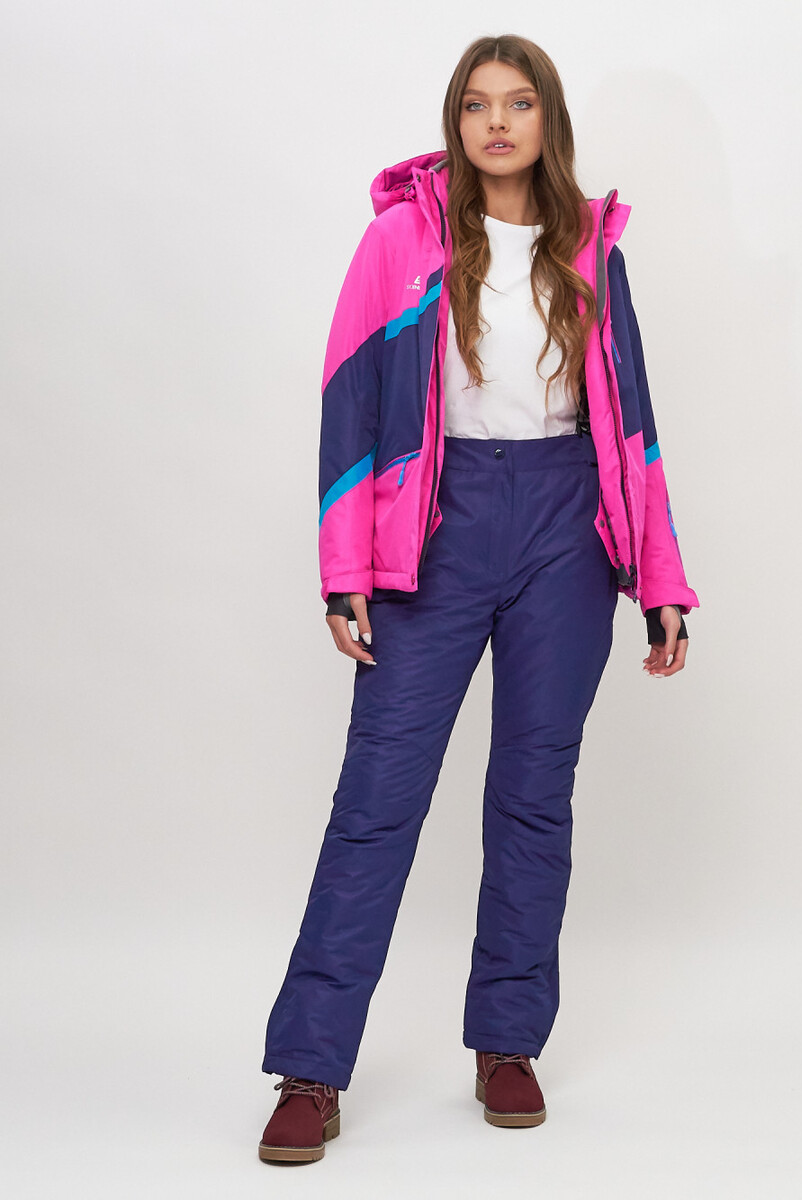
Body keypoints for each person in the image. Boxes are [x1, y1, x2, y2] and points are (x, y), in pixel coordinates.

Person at [257, 33, 699, 1163]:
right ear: (454, 122)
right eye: (475, 105)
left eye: (518, 103)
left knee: (533, 799)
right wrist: (344, 569)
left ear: (548, 120)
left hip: (566, 529)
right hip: (434, 529)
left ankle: (508, 1042)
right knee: (378, 800)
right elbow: (349, 403)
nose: (496, 123)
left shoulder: (591, 247)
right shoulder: (400, 241)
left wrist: (659, 576)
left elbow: (634, 423)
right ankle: (310, 1065)